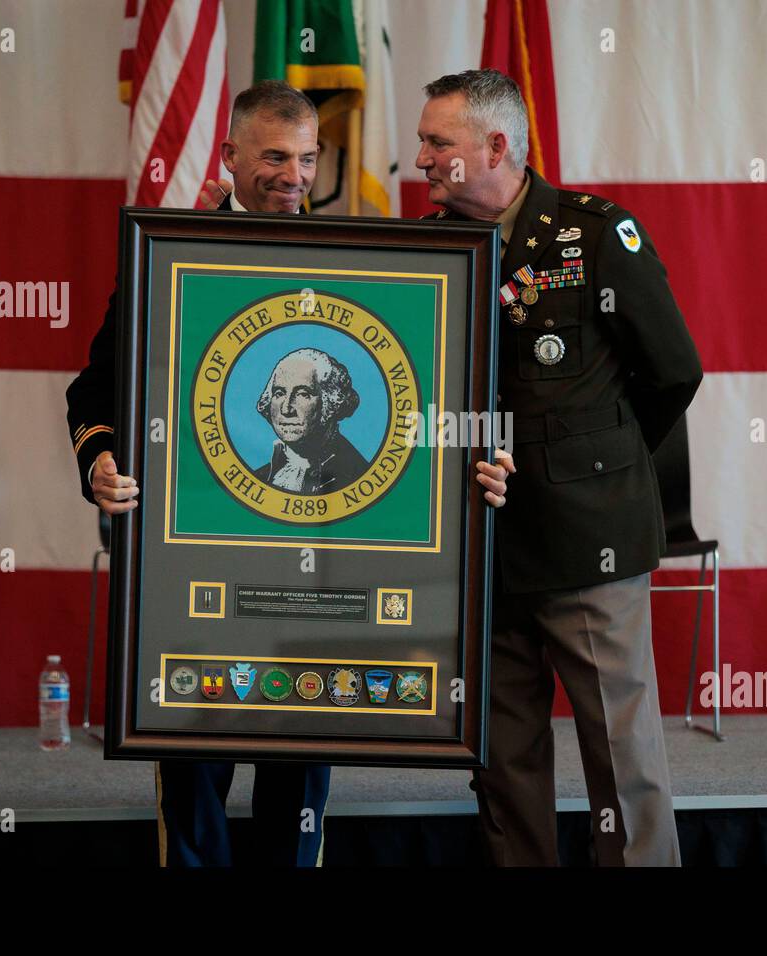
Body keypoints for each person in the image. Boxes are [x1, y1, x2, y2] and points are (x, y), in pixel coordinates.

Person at [73, 80, 514, 866]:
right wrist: (101, 461)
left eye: (309, 158)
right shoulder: (170, 252)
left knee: (300, 775)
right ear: (230, 155)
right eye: (275, 156)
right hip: (196, 572)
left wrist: (485, 455)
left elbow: (444, 406)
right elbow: (93, 391)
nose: (295, 175)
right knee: (193, 781)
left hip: (322, 577)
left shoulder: (361, 264)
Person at [413, 70, 704, 866]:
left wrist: (592, 464)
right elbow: (430, 399)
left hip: (589, 541)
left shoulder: (596, 233)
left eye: (438, 142)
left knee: (621, 746)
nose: (423, 158)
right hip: (481, 542)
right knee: (502, 756)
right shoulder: (430, 246)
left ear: (496, 146)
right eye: (424, 142)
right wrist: (482, 446)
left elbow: (673, 370)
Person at [254, 348, 368, 494]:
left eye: (303, 394)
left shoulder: (358, 477)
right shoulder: (259, 478)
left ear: (331, 403)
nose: (286, 409)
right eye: (279, 393)